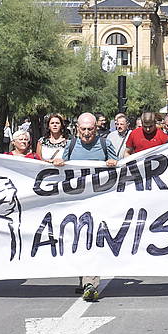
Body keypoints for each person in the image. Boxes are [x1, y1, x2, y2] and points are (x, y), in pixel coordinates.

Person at [54, 112, 117, 301]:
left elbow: (120, 167)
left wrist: (113, 163)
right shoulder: (71, 145)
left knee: (93, 239)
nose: (87, 133)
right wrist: (58, 163)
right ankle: (84, 279)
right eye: (83, 129)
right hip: (75, 203)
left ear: (96, 129)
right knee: (79, 240)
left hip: (99, 202)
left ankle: (91, 283)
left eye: (91, 129)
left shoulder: (106, 144)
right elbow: (60, 165)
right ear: (77, 129)